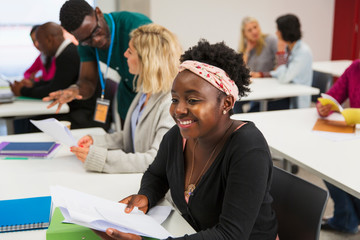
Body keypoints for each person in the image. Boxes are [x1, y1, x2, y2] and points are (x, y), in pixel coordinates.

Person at [94, 40, 278, 240]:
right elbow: (156, 175)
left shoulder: (247, 147)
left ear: (226, 102)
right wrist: (146, 196)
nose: (179, 110)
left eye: (192, 100)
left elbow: (230, 235)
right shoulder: (178, 136)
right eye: (175, 99)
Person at [70, 23, 181, 173]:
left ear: (146, 59)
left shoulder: (170, 102)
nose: (125, 55)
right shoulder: (145, 91)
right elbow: (131, 137)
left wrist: (101, 159)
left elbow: (155, 159)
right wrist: (96, 141)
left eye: (130, 51)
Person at [43, 0, 152, 127]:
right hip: (128, 96)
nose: (96, 40)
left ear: (98, 13)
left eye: (96, 30)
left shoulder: (135, 25)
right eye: (87, 39)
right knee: (127, 142)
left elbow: (163, 66)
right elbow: (87, 82)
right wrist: (75, 91)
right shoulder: (84, 44)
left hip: (152, 92)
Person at [10, 22, 110, 130]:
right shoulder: (68, 51)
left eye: (39, 42)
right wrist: (33, 84)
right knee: (26, 122)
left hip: (87, 116)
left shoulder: (68, 55)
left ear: (49, 39)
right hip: (83, 111)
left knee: (29, 124)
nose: (38, 47)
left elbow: (55, 89)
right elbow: (58, 82)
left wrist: (22, 91)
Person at [317, 59, 360, 234]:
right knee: (325, 160)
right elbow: (333, 96)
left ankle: (348, 218)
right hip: (353, 136)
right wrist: (323, 107)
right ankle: (346, 218)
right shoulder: (355, 68)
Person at [252, 14, 313, 110]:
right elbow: (281, 72)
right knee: (255, 107)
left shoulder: (303, 52)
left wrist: (280, 54)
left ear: (285, 31)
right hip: (286, 95)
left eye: (278, 30)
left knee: (255, 110)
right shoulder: (289, 47)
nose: (276, 33)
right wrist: (262, 74)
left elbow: (283, 78)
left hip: (294, 101)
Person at [235, 16, 282, 113]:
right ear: (244, 34)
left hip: (269, 86)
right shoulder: (244, 47)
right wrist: (247, 51)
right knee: (235, 102)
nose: (254, 32)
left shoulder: (270, 40)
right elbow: (240, 70)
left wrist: (261, 74)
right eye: (249, 30)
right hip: (254, 87)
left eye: (255, 27)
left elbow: (281, 66)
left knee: (251, 112)